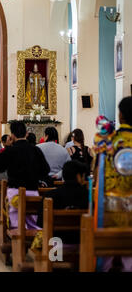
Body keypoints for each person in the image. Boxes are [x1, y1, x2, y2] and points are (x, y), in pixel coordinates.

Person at [96, 96, 132, 272]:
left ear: (120, 115)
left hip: (111, 206)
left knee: (107, 248)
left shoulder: (108, 141)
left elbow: (98, 171)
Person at [0, 121, 50, 229]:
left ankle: (17, 233)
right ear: (26, 133)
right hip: (32, 191)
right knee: (32, 219)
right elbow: (46, 169)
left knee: (15, 221)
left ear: (12, 135)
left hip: (15, 193)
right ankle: (31, 235)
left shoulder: (10, 151)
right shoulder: (36, 150)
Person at [36, 160, 89, 244]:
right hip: (81, 243)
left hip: (55, 243)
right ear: (78, 176)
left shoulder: (50, 195)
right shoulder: (88, 196)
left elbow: (40, 223)